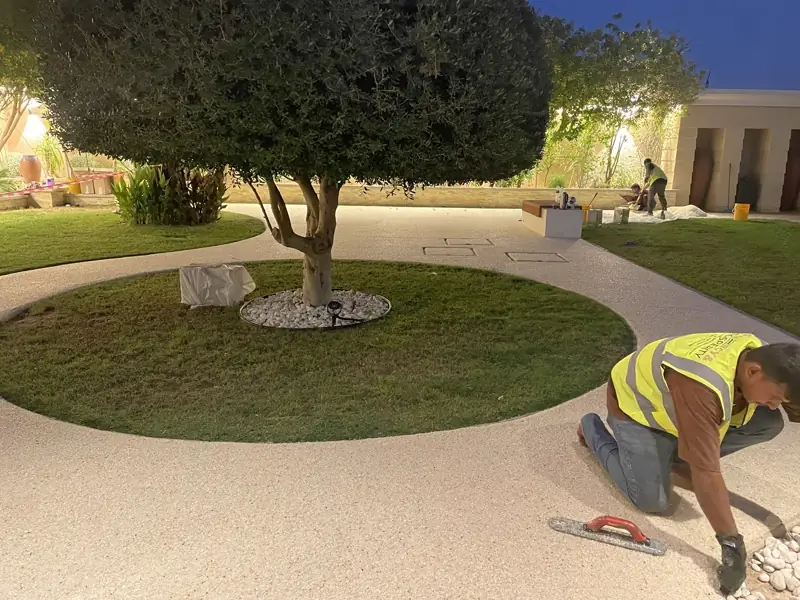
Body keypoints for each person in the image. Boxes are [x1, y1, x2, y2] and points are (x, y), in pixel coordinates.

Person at [577, 333, 800, 595]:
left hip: (681, 406)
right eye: (775, 397)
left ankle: (679, 452)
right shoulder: (702, 387)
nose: (775, 405)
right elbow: (706, 473)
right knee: (652, 500)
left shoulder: (764, 356)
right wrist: (731, 544)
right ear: (753, 371)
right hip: (636, 405)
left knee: (769, 423)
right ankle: (591, 428)